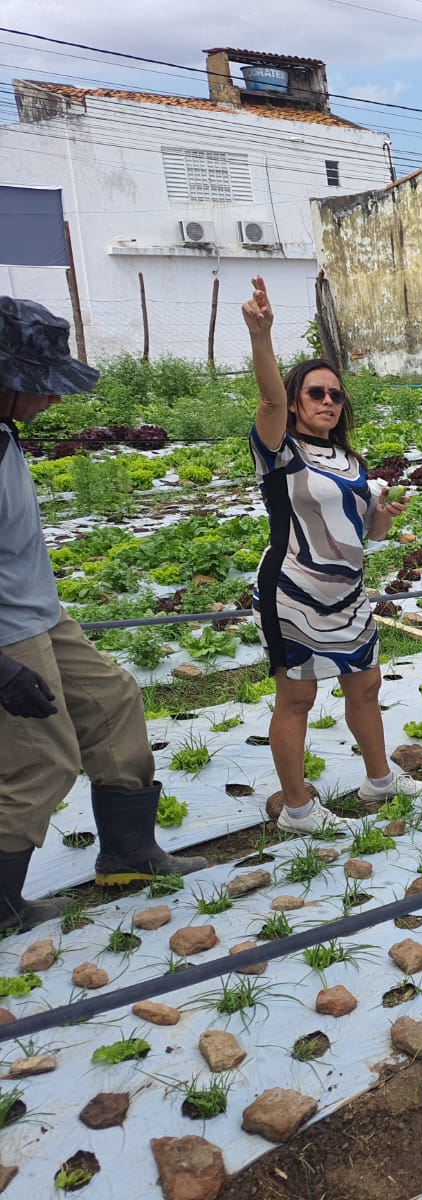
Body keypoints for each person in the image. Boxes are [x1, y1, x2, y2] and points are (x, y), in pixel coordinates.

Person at [0, 297, 206, 927]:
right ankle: (2, 905)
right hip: (6, 633)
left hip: (39, 614)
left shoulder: (5, 432)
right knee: (40, 757)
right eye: (41, 386)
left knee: (113, 700)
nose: (52, 400)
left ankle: (129, 852)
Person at [243, 277, 422, 826]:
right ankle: (297, 808)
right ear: (297, 403)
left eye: (334, 394)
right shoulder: (278, 452)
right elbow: (269, 397)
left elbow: (367, 536)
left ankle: (379, 781)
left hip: (348, 593)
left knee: (367, 686)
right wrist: (262, 337)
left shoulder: (352, 462)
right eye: (315, 393)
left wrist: (380, 517)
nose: (327, 401)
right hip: (293, 594)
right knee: (297, 699)